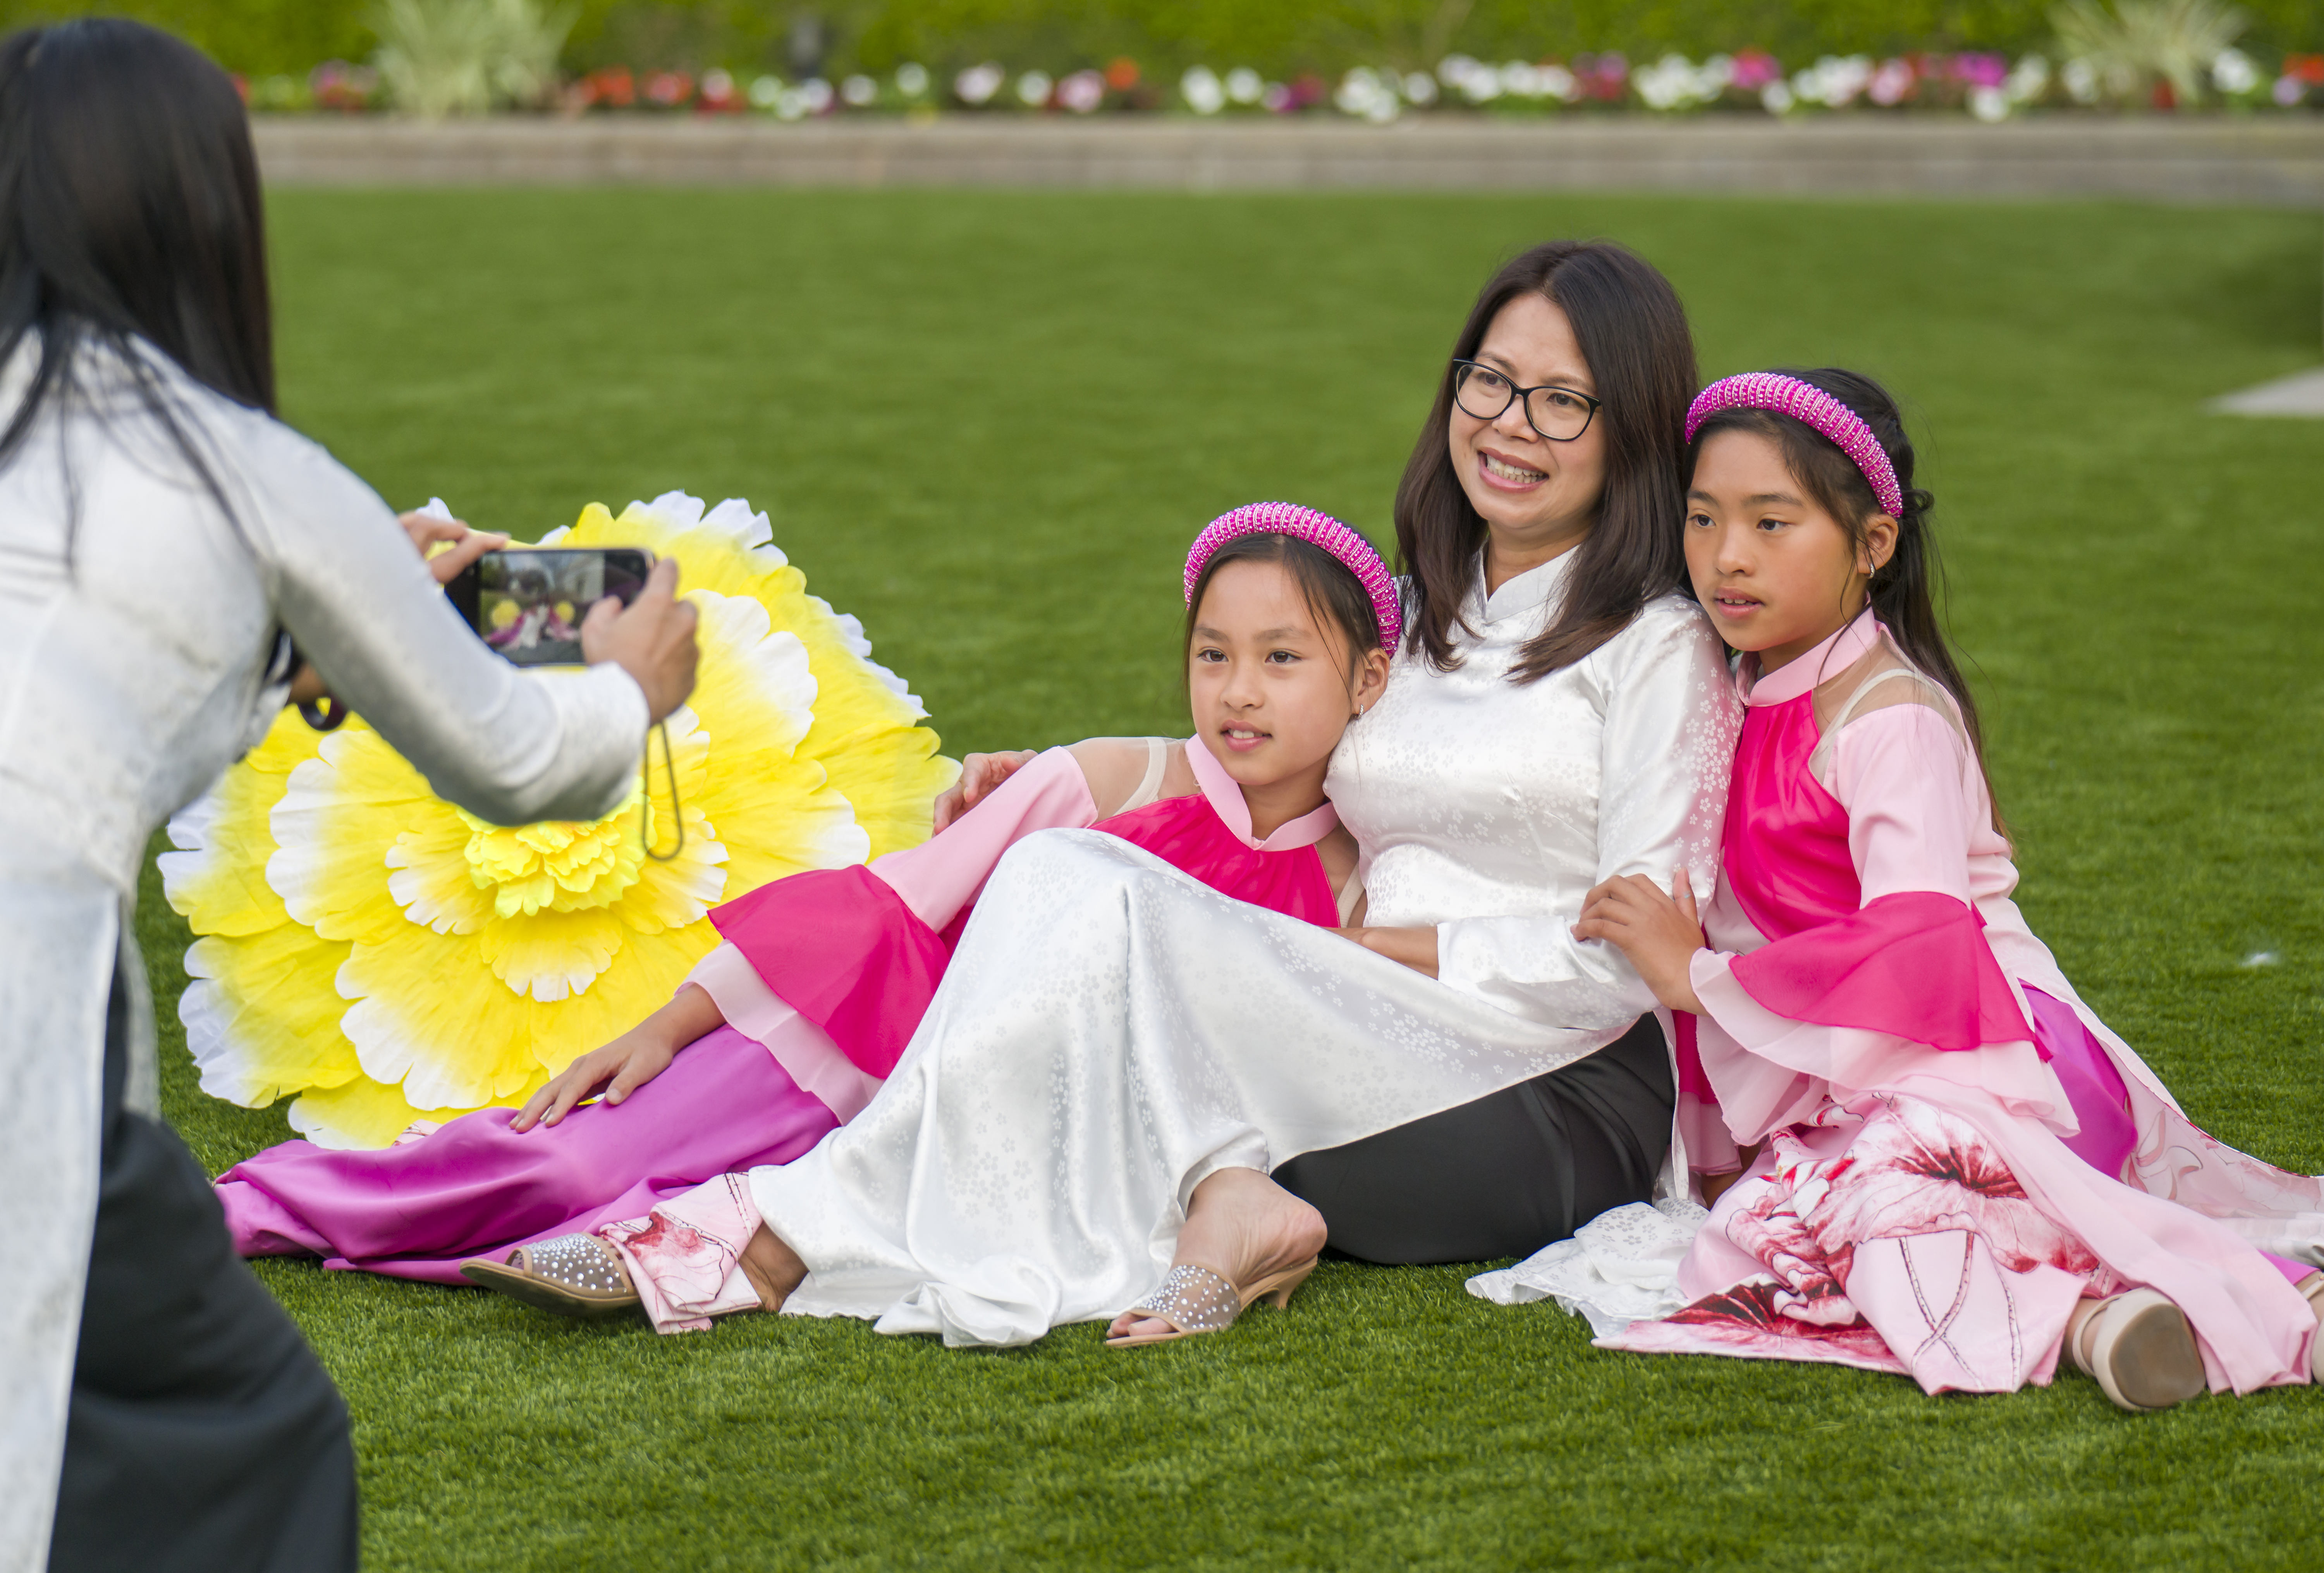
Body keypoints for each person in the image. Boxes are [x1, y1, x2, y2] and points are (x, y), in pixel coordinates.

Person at [473, 240, 1740, 1349]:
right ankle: (1195, 1208)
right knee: (1067, 880)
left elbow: (1631, 950)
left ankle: (764, 1238)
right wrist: (1083, 769)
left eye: (1564, 401)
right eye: (1492, 381)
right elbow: (1287, 740)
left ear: (1630, 428)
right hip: (1350, 1013)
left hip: (1543, 1076)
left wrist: (1380, 946)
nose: (1512, 423)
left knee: (1085, 911)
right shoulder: (1421, 624)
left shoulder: (1657, 649)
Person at [0, 21, 699, 1571]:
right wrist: (634, 684)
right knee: (235, 1438)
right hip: (24, 1006)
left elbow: (72, 677)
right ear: (203, 215)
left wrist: (285, 633)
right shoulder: (251, 475)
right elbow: (514, 758)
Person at [215, 504, 1389, 1291]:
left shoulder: (1355, 888)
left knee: (603, 1223)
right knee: (561, 1171)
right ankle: (240, 1209)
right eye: (1213, 654)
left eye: (1282, 659)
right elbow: (887, 898)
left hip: (941, 1144)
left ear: (1369, 679)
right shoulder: (1101, 779)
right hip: (826, 1057)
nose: (1239, 692)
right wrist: (667, 1027)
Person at [1571, 368, 2324, 1408]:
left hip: (2001, 1060)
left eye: (1772, 522)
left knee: (1872, 1195)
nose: (1727, 556)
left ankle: (2184, 1306)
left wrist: (1696, 974)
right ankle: (2105, 1321)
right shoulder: (1739, 685)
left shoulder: (1891, 718)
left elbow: (1921, 943)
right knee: (1763, 1219)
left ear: (1873, 544)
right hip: (1865, 1070)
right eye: (1703, 519)